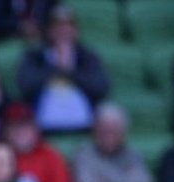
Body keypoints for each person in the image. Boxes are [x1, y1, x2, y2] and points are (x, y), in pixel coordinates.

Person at [16, 5, 109, 133]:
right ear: (49, 30)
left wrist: (70, 71)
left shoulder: (87, 57)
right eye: (58, 27)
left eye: (68, 27)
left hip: (85, 124)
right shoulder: (34, 56)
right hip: (43, 125)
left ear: (76, 31)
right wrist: (54, 67)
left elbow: (101, 89)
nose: (63, 31)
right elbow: (26, 87)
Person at [0, 102, 74, 182]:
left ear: (35, 129)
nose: (20, 132)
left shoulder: (50, 156)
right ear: (5, 131)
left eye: (25, 126)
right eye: (14, 127)